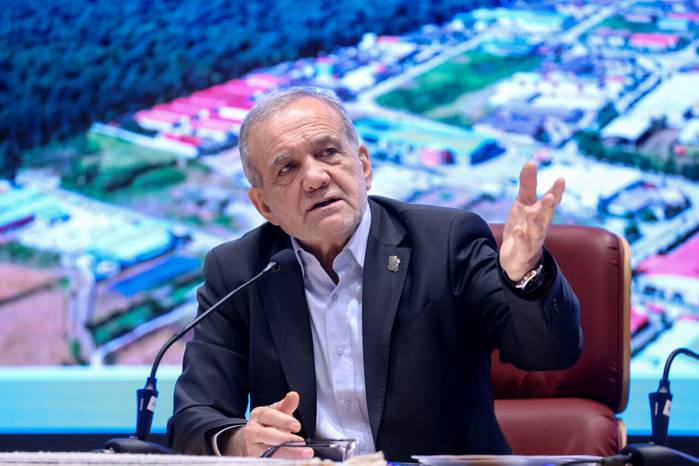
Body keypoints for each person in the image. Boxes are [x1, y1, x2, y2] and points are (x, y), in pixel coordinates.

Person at [167, 87, 582, 461]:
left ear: (363, 166)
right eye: (287, 168)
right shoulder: (239, 271)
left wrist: (526, 275)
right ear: (264, 206)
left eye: (328, 152)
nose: (315, 178)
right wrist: (240, 441)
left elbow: (549, 354)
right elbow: (192, 419)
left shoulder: (445, 241)